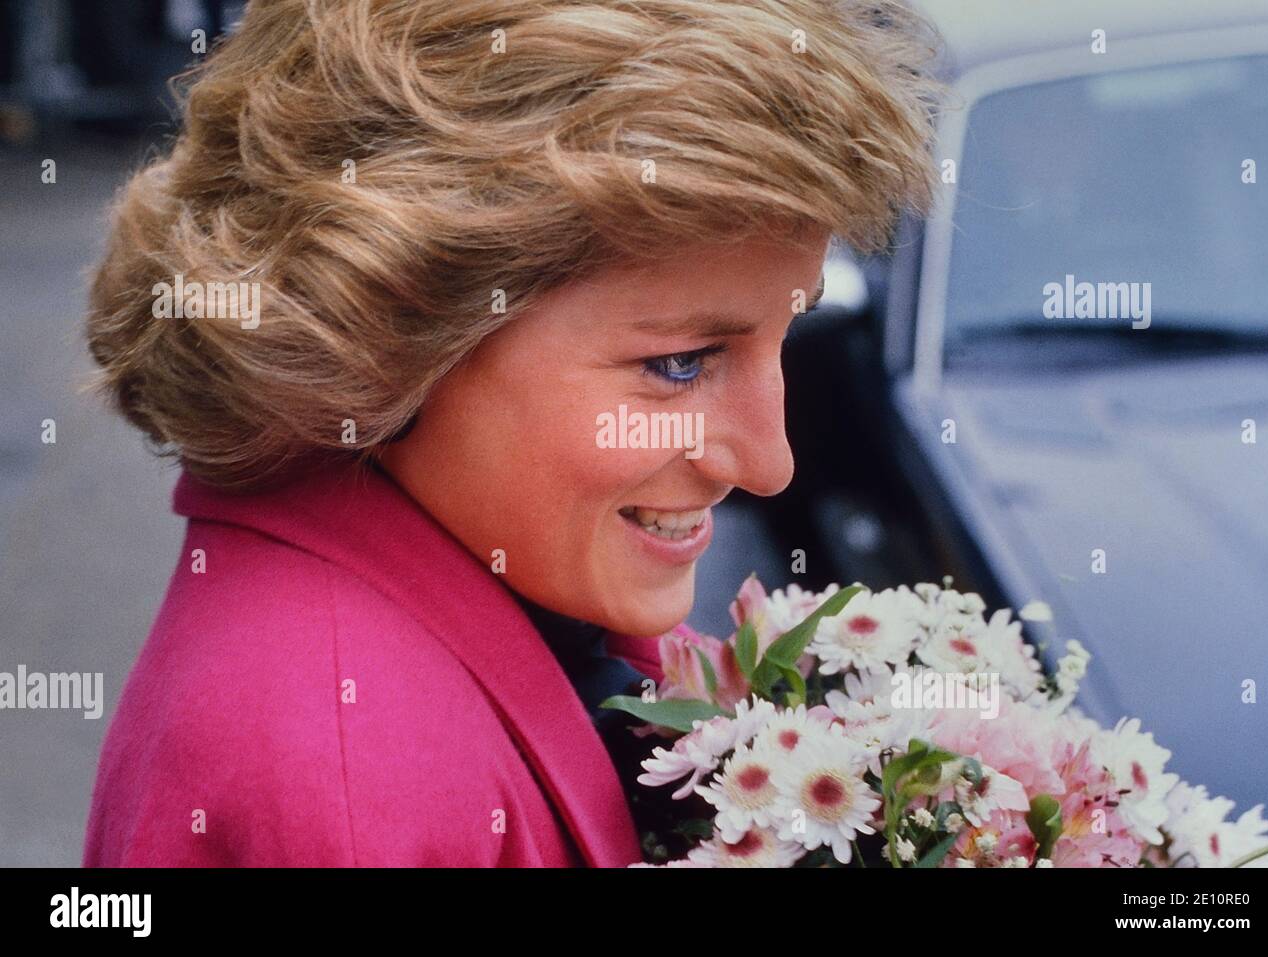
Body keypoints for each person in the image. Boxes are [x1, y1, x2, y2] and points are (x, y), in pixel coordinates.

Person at [81, 0, 938, 866]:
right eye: (681, 364)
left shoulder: (507, 581)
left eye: (782, 335)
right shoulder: (352, 783)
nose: (768, 462)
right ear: (385, 327)